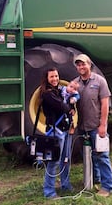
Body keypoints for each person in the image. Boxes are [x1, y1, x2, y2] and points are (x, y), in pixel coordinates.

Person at [73, 54, 112, 197]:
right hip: (82, 127)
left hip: (96, 126)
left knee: (102, 155)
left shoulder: (100, 81)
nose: (81, 67)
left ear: (89, 65)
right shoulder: (75, 83)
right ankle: (94, 179)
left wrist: (103, 125)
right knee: (88, 156)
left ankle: (107, 186)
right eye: (78, 65)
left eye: (83, 64)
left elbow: (105, 105)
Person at [40, 67, 74, 199]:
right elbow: (63, 106)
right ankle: (49, 192)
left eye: (56, 76)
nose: (55, 79)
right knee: (54, 161)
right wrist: (70, 105)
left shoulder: (59, 90)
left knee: (66, 159)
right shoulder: (47, 94)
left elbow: (68, 107)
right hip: (55, 131)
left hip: (65, 129)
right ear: (47, 79)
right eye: (52, 77)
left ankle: (65, 185)